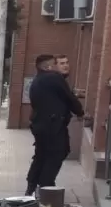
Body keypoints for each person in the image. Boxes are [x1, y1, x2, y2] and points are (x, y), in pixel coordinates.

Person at [25, 53, 84, 195]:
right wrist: (80, 113)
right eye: (59, 64)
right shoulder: (54, 78)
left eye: (66, 63)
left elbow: (54, 97)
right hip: (53, 125)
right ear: (49, 67)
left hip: (40, 125)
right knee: (58, 152)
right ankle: (46, 185)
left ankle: (31, 186)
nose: (65, 66)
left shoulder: (39, 79)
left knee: (41, 155)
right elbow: (69, 98)